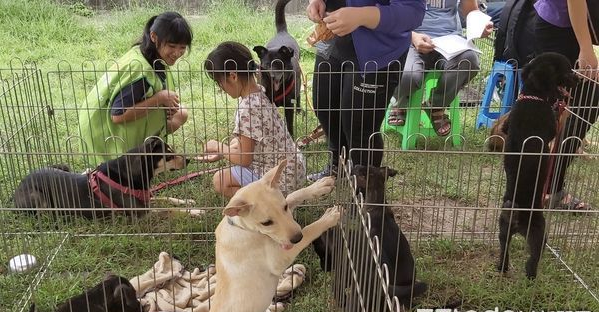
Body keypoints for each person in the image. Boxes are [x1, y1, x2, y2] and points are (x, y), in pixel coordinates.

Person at [306, 0, 426, 181]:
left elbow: (413, 12)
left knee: (359, 126)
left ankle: (366, 189)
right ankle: (338, 166)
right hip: (331, 37)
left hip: (378, 48)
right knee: (325, 107)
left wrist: (360, 16)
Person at [78, 11, 192, 166]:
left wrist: (164, 105)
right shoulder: (139, 69)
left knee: (181, 113)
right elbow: (118, 115)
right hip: (104, 137)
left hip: (109, 125)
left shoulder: (148, 54)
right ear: (154, 37)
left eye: (182, 47)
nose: (177, 53)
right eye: (172, 46)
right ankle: (127, 158)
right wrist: (160, 99)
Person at [201, 41, 306, 197]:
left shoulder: (247, 109)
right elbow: (251, 141)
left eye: (219, 82)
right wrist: (228, 150)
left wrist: (218, 147)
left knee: (220, 180)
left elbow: (244, 159)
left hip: (279, 181)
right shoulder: (262, 93)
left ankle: (267, 210)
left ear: (233, 76)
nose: (220, 88)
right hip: (294, 170)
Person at [387, 0, 493, 136]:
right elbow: (389, 13)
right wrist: (412, 37)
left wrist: (480, 25)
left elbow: (471, 11)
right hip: (409, 39)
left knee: (469, 61)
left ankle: (435, 106)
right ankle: (400, 102)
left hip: (450, 40)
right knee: (408, 76)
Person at [534, 0, 598, 210]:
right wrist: (586, 47)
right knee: (563, 110)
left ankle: (549, 187)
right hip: (562, 28)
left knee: (584, 109)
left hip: (582, 28)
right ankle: (544, 190)